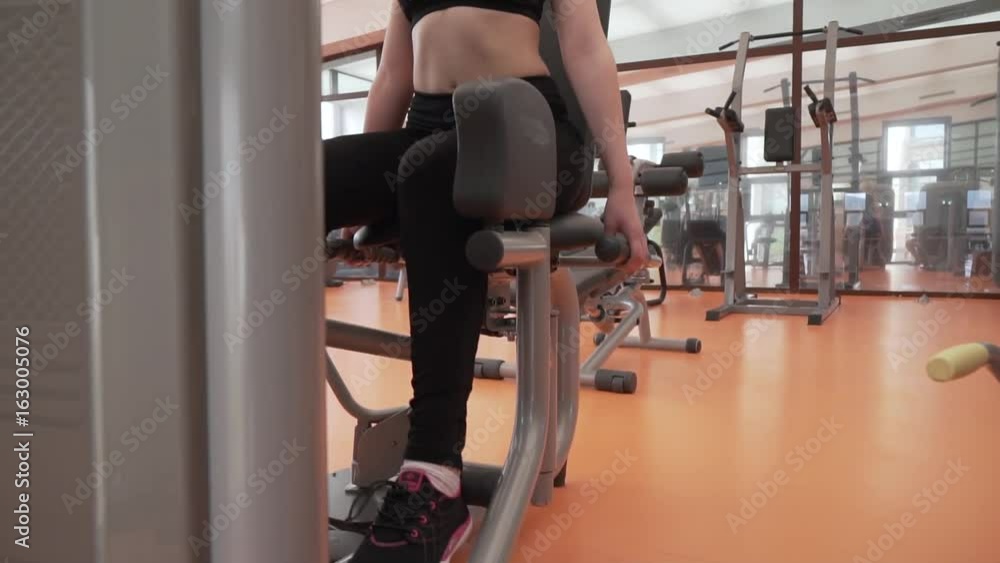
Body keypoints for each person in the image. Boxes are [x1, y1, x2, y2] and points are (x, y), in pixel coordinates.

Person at [324, 1, 646, 561]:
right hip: (425, 126)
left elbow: (585, 47)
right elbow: (393, 75)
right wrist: (366, 197)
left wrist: (621, 182)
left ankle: (435, 475)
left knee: (431, 173)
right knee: (299, 178)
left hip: (524, 128)